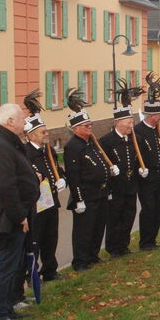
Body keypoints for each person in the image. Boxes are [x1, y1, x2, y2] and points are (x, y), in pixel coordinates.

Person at [0, 103, 40, 320]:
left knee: (13, 264)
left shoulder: (7, 142)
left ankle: (7, 309)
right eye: (22, 120)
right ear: (10, 122)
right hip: (7, 219)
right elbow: (5, 186)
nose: (26, 123)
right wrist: (19, 216)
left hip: (15, 215)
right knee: (5, 267)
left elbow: (15, 174)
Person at [63, 91, 116, 271]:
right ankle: (80, 261)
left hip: (100, 192)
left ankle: (93, 255)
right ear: (76, 128)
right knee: (83, 231)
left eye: (90, 125)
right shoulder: (72, 147)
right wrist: (78, 199)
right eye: (86, 126)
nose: (89, 128)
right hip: (86, 195)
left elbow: (100, 162)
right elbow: (74, 175)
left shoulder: (91, 142)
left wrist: (109, 172)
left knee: (98, 227)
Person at [23, 92, 66, 282]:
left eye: (46, 130)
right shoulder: (26, 154)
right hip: (36, 205)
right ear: (31, 135)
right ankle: (31, 274)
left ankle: (50, 270)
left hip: (51, 202)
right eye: (42, 132)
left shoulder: (48, 151)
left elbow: (56, 169)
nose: (46, 134)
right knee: (36, 242)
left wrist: (62, 178)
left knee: (51, 239)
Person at [134, 75, 160, 251]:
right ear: (152, 115)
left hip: (159, 175)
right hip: (146, 177)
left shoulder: (158, 130)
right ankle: (145, 241)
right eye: (158, 114)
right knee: (148, 209)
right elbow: (137, 154)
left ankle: (153, 239)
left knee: (157, 209)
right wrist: (140, 169)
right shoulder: (138, 131)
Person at [100, 103, 140, 257]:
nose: (132, 125)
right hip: (115, 187)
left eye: (132, 122)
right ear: (117, 122)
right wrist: (110, 171)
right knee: (115, 218)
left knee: (129, 216)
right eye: (128, 122)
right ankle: (113, 247)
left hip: (131, 185)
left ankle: (124, 245)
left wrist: (140, 170)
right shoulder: (106, 141)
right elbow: (103, 164)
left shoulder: (133, 139)